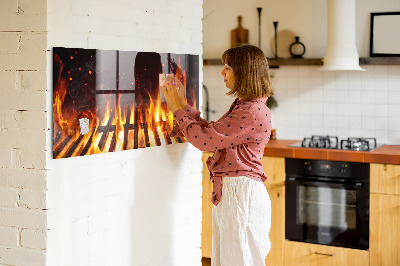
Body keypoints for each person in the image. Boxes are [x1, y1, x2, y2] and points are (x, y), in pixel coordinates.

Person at [161, 44, 273, 266]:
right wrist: (184, 106)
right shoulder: (246, 106)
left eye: (228, 67)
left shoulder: (250, 111)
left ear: (244, 72)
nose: (222, 72)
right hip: (235, 193)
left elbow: (204, 141)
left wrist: (177, 109)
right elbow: (213, 133)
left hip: (241, 195)